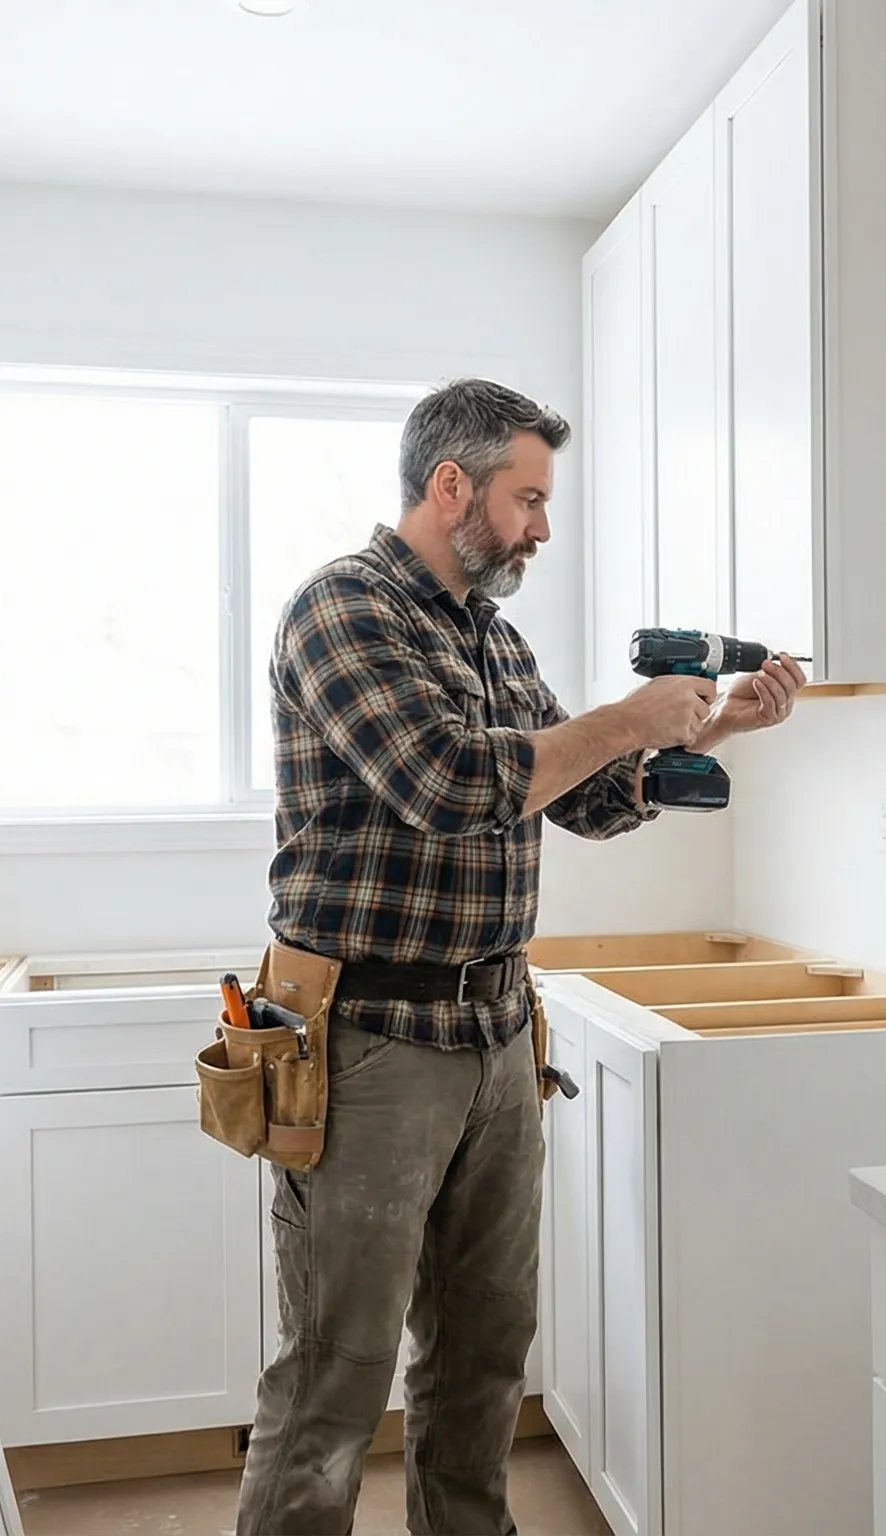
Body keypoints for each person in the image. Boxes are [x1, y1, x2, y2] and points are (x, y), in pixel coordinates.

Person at [235, 378, 807, 1534]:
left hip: (495, 1036)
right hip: (368, 1043)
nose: (542, 528)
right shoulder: (341, 613)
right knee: (334, 1374)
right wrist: (633, 715)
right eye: (526, 498)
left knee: (484, 1354)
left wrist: (717, 724)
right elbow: (447, 785)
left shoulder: (494, 641)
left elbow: (582, 798)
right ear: (451, 487)